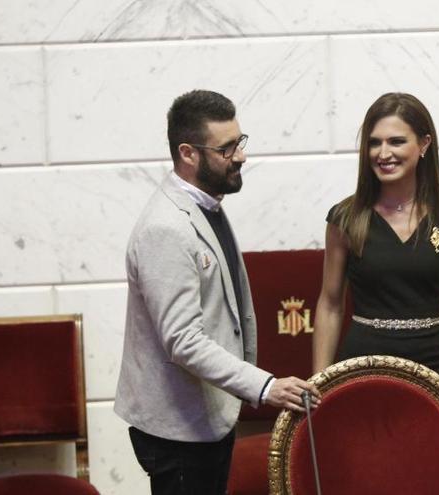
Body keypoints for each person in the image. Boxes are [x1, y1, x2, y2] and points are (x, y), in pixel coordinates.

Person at [114, 89, 319, 495]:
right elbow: (183, 340)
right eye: (227, 149)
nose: (240, 156)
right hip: (179, 432)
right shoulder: (165, 228)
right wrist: (265, 386)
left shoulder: (205, 204)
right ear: (188, 154)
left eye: (239, 142)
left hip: (204, 417)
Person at [311, 92, 439, 421]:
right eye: (375, 143)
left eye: (396, 141)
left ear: (424, 144)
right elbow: (330, 304)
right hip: (363, 365)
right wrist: (319, 383)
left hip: (430, 367)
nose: (383, 154)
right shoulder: (345, 217)